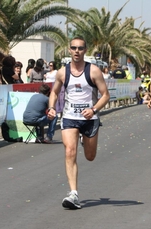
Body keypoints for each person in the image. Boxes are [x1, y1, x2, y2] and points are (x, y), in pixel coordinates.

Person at [47, 36, 110, 209]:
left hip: (90, 119)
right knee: (69, 151)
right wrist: (52, 107)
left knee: (90, 157)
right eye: (73, 48)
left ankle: (84, 139)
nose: (77, 51)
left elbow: (106, 95)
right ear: (69, 50)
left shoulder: (93, 71)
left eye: (80, 48)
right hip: (69, 117)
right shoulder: (62, 72)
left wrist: (94, 110)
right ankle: (73, 193)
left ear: (85, 50)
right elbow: (54, 92)